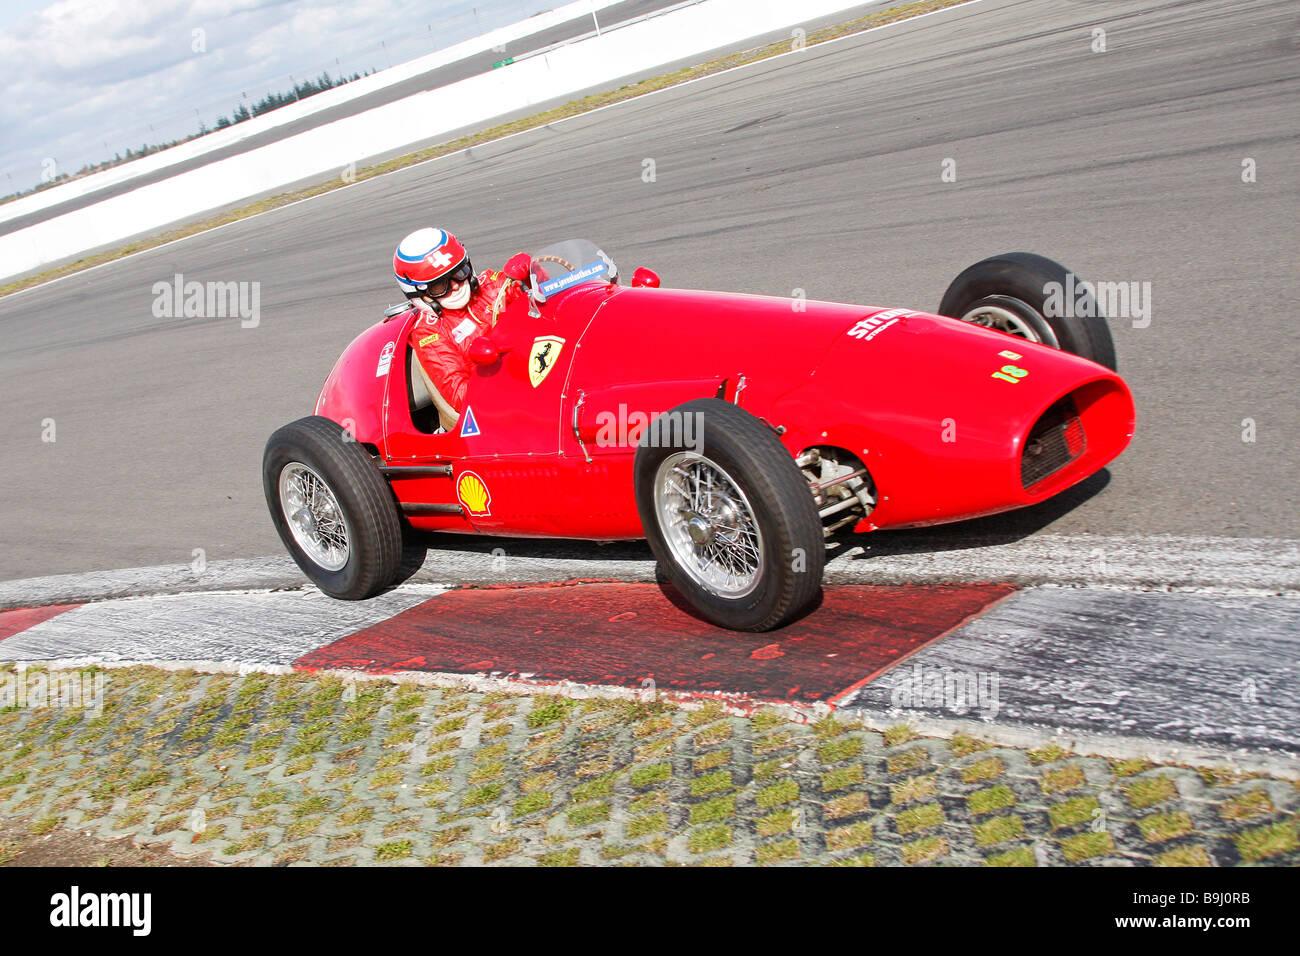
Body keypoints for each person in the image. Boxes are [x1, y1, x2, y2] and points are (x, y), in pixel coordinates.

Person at [393, 227, 529, 431]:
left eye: (458, 273)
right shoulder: (429, 333)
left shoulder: (490, 283)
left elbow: (546, 303)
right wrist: (499, 371)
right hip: (498, 412)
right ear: (420, 294)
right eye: (440, 285)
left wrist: (531, 277)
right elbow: (460, 396)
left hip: (538, 369)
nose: (456, 285)